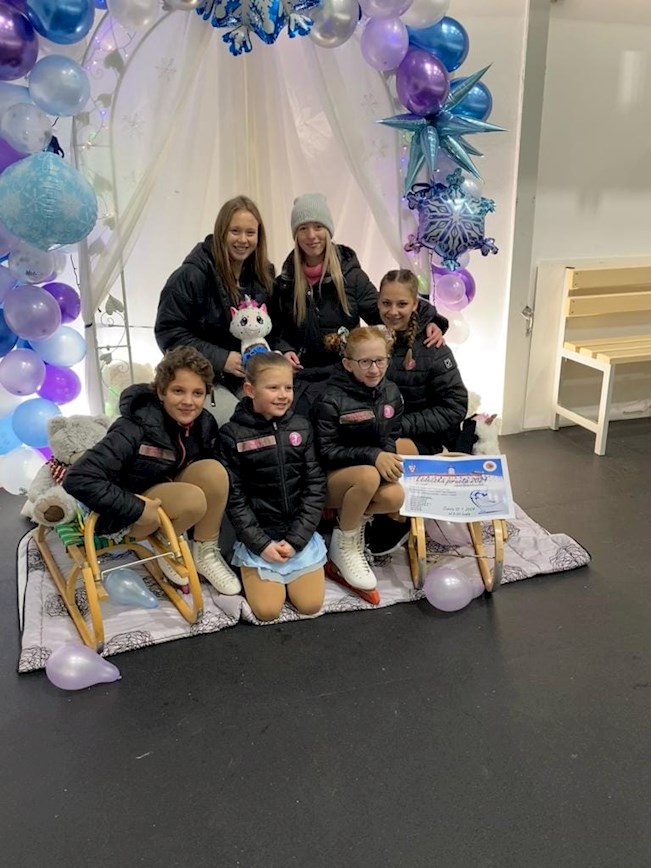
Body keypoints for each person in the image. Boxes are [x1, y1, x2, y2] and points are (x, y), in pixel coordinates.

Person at [63, 346, 241, 596]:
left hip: (165, 496)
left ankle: (205, 551)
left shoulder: (204, 424)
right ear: (161, 391)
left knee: (214, 471)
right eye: (178, 391)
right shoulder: (134, 425)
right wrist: (136, 507)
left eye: (197, 393)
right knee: (192, 499)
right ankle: (167, 544)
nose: (188, 401)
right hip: (127, 513)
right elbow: (78, 478)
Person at [271, 193, 448, 410]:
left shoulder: (351, 277)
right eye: (303, 228)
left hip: (345, 377)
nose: (311, 235)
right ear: (295, 234)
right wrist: (284, 349)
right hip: (301, 379)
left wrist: (432, 319)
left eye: (318, 226)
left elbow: (386, 311)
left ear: (328, 230)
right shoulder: (284, 283)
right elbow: (275, 330)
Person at [364, 268, 469, 556]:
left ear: (415, 305)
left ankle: (398, 517)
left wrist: (401, 425)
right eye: (386, 303)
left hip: (423, 436)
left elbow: (455, 407)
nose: (393, 311)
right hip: (381, 430)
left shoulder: (433, 347)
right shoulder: (372, 340)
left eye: (402, 304)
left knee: (384, 455)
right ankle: (364, 517)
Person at [219, 353, 327, 622]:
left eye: (288, 387)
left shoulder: (302, 427)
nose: (283, 395)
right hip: (259, 540)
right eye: (273, 387)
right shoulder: (231, 435)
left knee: (310, 605)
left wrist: (296, 540)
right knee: (267, 611)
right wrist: (261, 544)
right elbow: (235, 498)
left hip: (297, 536)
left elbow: (315, 486)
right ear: (249, 389)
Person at [155, 196, 276, 426]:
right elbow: (169, 334)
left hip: (249, 376)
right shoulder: (191, 276)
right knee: (236, 424)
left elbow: (275, 327)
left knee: (275, 418)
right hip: (203, 379)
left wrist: (282, 351)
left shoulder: (264, 275)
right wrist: (222, 359)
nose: (243, 240)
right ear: (221, 232)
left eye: (250, 232)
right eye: (235, 231)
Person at [312, 326, 405, 599]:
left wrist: (386, 459)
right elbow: (325, 451)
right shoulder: (330, 398)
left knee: (396, 496)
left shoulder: (391, 392)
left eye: (380, 360)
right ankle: (345, 546)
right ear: (348, 364)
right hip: (330, 479)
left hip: (367, 475)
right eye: (365, 362)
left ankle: (351, 525)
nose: (374, 369)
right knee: (367, 476)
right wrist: (373, 456)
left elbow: (390, 436)